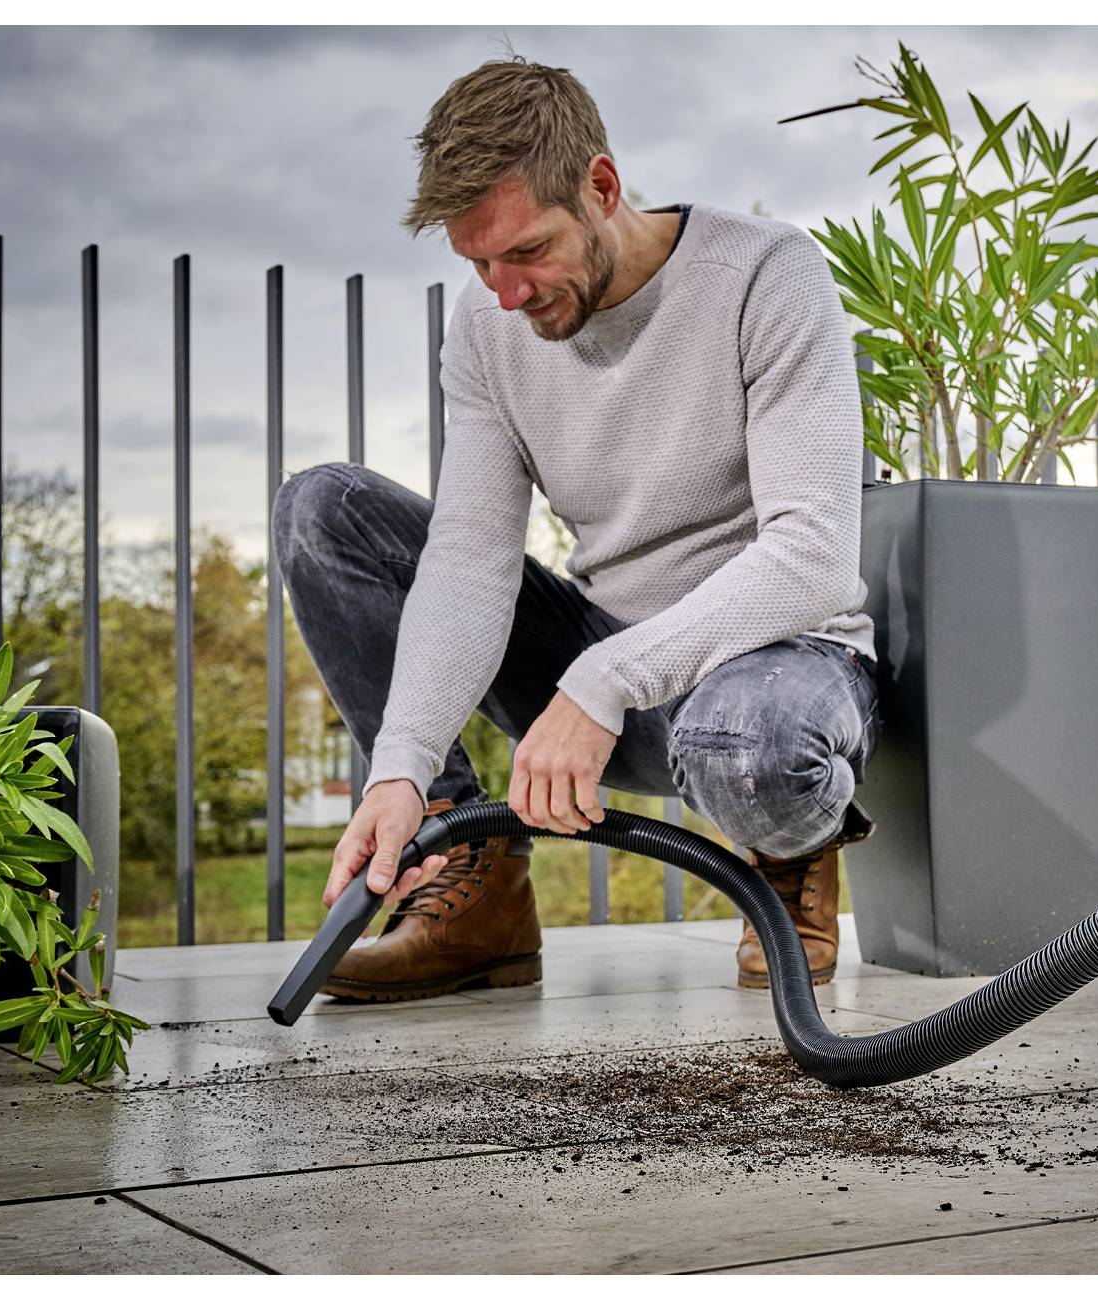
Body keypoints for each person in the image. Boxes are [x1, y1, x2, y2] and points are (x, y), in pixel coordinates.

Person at [271, 56, 879, 1002]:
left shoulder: (765, 272)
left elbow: (810, 555)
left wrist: (603, 679)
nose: (505, 291)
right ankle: (473, 888)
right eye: (477, 263)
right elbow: (468, 565)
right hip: (608, 674)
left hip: (773, 671)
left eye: (525, 252)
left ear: (601, 186)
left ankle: (791, 851)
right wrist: (402, 766)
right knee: (324, 510)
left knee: (750, 743)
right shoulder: (486, 329)